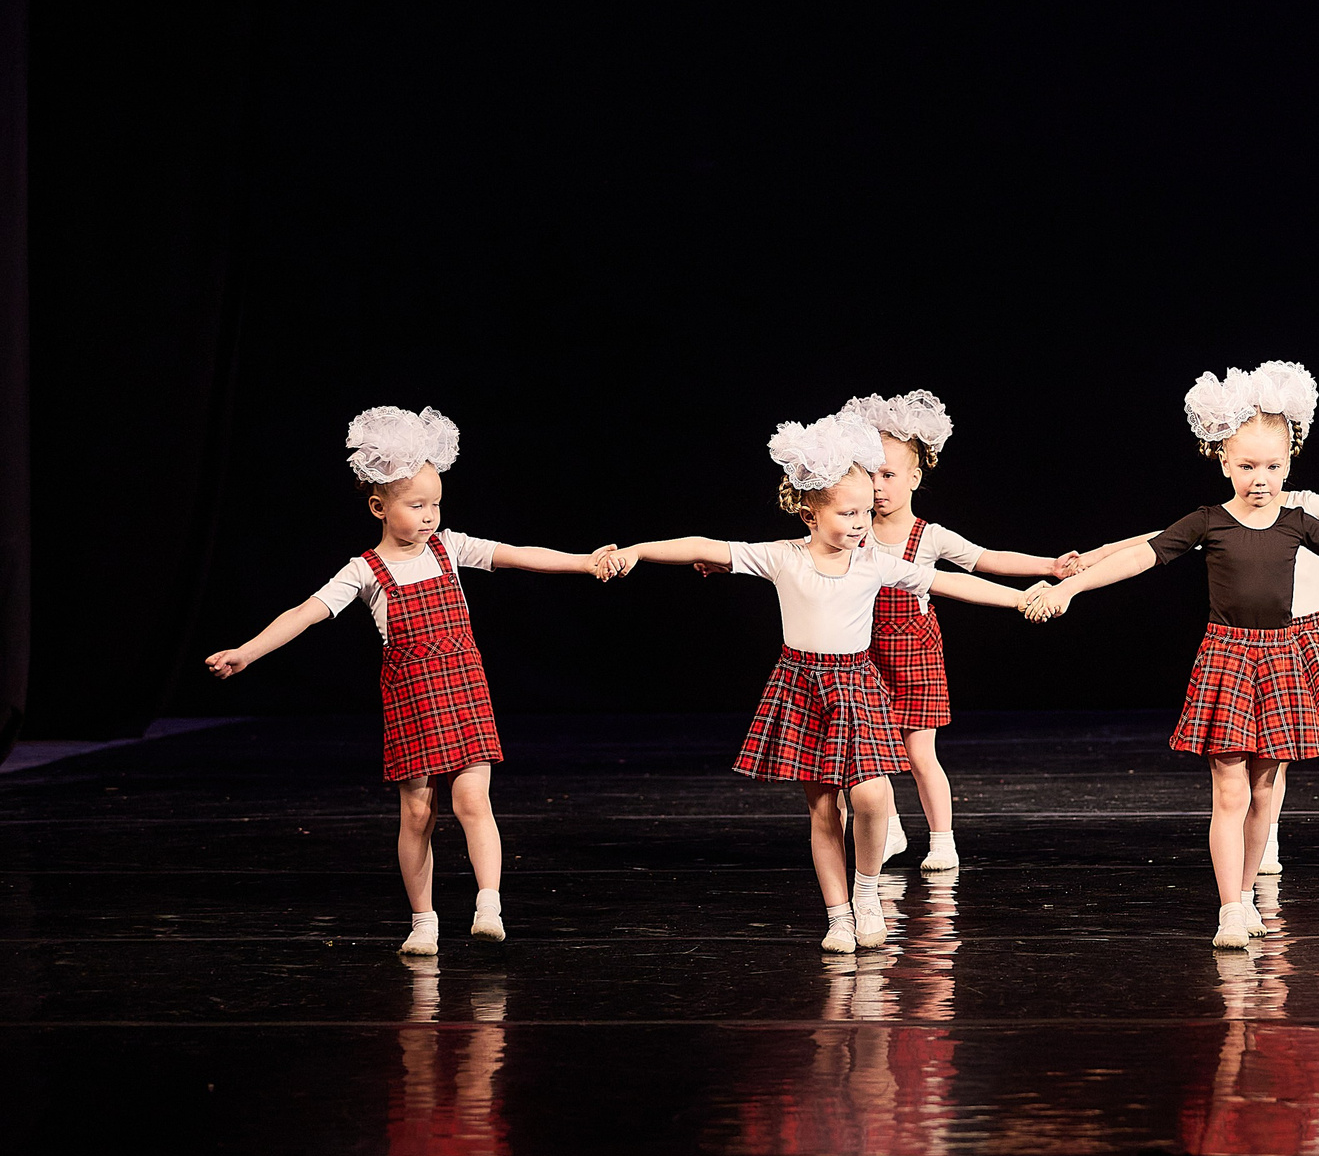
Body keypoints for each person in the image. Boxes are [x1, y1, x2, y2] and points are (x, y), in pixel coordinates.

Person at [1024, 365, 1319, 946]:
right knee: (1229, 788)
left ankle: (1248, 893)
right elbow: (1140, 557)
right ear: (1223, 459)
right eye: (1247, 466)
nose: (1260, 478)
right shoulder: (1208, 522)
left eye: (1273, 467)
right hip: (1228, 658)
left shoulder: (1301, 524)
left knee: (1266, 790)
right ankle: (1230, 906)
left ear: (1290, 463)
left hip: (1282, 660)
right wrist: (1070, 587)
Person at [596, 408, 1032, 953]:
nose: (859, 524)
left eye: (864, 514)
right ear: (809, 513)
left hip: (856, 686)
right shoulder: (783, 559)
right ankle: (838, 914)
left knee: (873, 797)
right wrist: (637, 550)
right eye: (848, 514)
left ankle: (868, 890)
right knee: (826, 808)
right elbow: (703, 546)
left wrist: (1022, 597)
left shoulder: (873, 562)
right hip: (802, 687)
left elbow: (946, 581)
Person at [205, 407, 607, 955]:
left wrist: (583, 563)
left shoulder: (452, 548)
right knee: (418, 811)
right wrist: (247, 653)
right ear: (379, 507)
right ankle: (424, 922)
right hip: (413, 697)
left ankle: (488, 902)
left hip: (462, 685)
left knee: (472, 802)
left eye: (435, 504)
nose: (429, 517)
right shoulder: (365, 571)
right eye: (416, 506)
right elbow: (305, 612)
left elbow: (517, 556)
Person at [845, 387, 1082, 871]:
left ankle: (942, 839)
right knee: (868, 753)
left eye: (888, 475)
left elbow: (986, 559)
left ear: (914, 476)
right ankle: (887, 830)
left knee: (918, 752)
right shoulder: (851, 529)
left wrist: (1051, 567)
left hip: (913, 650)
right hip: (862, 650)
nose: (878, 486)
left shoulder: (928, 535)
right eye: (871, 475)